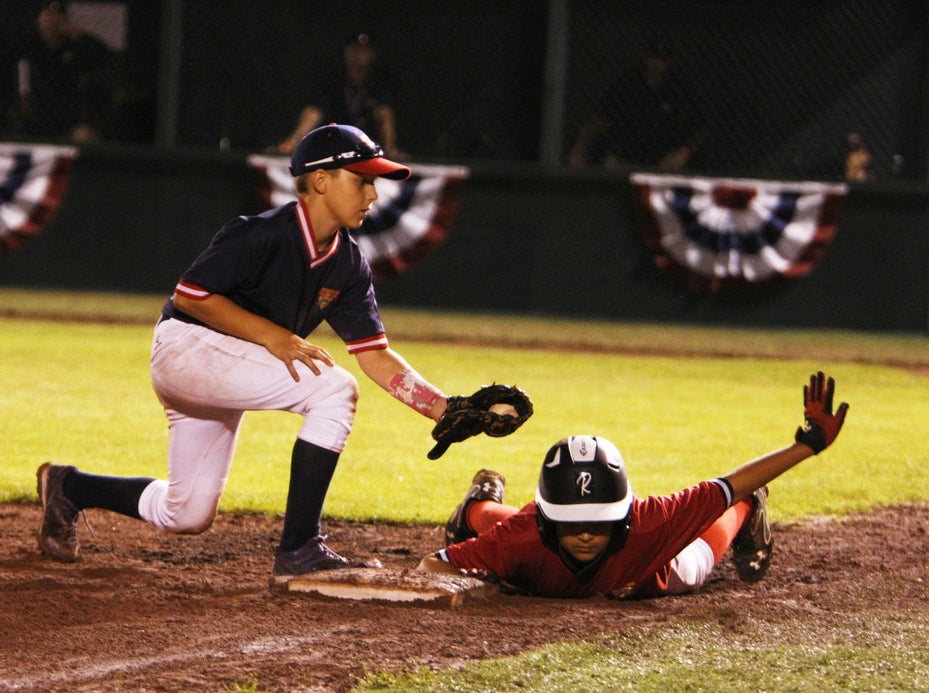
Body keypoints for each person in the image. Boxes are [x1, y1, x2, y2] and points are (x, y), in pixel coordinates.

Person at [35, 123, 483, 583]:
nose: (373, 193)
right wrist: (273, 335)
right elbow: (191, 295)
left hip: (222, 372)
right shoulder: (261, 233)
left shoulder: (348, 264)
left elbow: (375, 354)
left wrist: (443, 408)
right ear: (322, 180)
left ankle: (68, 486)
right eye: (362, 179)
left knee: (187, 512)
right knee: (333, 391)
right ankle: (301, 548)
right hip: (186, 349)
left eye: (374, 181)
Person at [418, 371, 848, 599]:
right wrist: (482, 584)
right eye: (572, 522)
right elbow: (432, 566)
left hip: (649, 570)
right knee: (501, 531)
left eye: (599, 521)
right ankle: (477, 504)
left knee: (697, 561)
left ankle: (751, 509)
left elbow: (730, 484)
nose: (586, 532)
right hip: (536, 541)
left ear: (624, 517)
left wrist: (806, 446)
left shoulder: (651, 523)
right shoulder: (519, 539)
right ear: (546, 522)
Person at [568, 38, 705, 171]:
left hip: (663, 157)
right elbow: (600, 119)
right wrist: (580, 150)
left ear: (668, 61)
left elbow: (699, 126)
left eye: (662, 59)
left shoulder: (679, 89)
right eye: (653, 57)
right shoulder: (627, 85)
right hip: (626, 154)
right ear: (645, 58)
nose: (656, 63)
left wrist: (683, 152)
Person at [276, 33, 404, 159]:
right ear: (346, 52)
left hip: (364, 153)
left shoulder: (378, 85)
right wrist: (291, 143)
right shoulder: (332, 82)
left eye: (364, 51)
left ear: (373, 55)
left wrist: (390, 148)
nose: (359, 55)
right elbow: (313, 113)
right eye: (355, 50)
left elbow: (384, 117)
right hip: (331, 150)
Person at [15, 2, 112, 142]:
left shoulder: (72, 47)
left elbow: (103, 56)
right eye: (47, 14)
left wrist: (76, 34)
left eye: (56, 15)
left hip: (67, 121)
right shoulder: (30, 44)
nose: (51, 19)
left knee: (87, 136)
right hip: (34, 124)